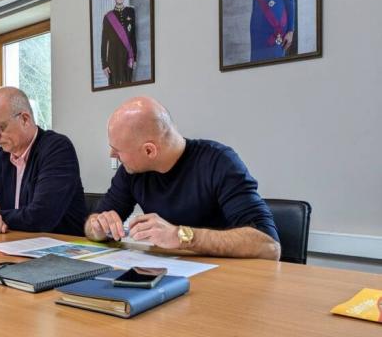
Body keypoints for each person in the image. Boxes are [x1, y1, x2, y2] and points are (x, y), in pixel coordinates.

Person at [85, 97, 281, 260]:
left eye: (117, 150)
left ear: (149, 150)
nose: (112, 155)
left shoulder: (219, 162)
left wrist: (182, 236)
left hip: (226, 279)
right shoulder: (132, 171)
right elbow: (91, 225)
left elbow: (269, 247)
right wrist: (98, 228)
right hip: (170, 274)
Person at [0, 86, 87, 236]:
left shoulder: (57, 149)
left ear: (25, 119)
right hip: (14, 245)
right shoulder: (2, 156)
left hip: (61, 250)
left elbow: (41, 217)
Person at [101, 0, 137, 86]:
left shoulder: (131, 11)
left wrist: (135, 57)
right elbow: (104, 42)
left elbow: (133, 36)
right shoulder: (108, 17)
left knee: (128, 85)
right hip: (113, 57)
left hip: (127, 56)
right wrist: (104, 64)